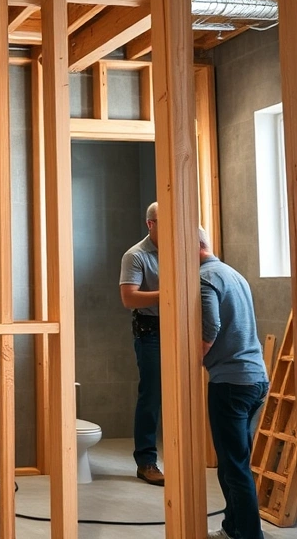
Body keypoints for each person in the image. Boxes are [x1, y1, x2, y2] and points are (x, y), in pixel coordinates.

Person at [199, 227, 269, 539]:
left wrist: (191, 360)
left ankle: (250, 535)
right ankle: (233, 528)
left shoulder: (204, 278)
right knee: (234, 463)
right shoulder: (232, 274)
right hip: (256, 379)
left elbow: (210, 325)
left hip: (230, 383)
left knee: (234, 466)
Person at [119, 202, 164, 486]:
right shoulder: (135, 255)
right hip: (151, 333)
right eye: (164, 221)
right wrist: (167, 293)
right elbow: (129, 298)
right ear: (150, 224)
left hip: (180, 328)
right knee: (151, 395)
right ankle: (146, 460)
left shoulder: (181, 245)